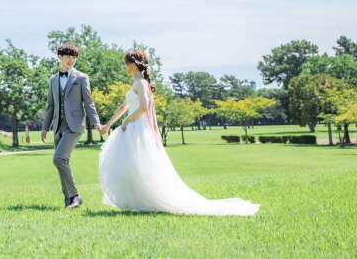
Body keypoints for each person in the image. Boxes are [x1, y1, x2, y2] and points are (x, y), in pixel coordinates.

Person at [98, 49, 260, 216]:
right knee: (132, 166)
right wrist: (108, 124)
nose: (125, 66)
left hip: (137, 128)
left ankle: (150, 199)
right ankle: (138, 200)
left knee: (143, 164)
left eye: (126, 63)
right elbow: (123, 106)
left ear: (134, 64)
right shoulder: (135, 83)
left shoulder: (141, 84)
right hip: (132, 128)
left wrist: (126, 121)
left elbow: (143, 108)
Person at [40, 43, 104, 209]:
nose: (71, 60)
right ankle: (68, 200)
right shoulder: (53, 80)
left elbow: (89, 102)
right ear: (60, 57)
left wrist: (96, 122)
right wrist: (45, 127)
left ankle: (75, 196)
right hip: (57, 127)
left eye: (74, 57)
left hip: (74, 126)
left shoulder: (81, 78)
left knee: (59, 159)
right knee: (63, 162)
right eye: (68, 56)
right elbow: (50, 106)